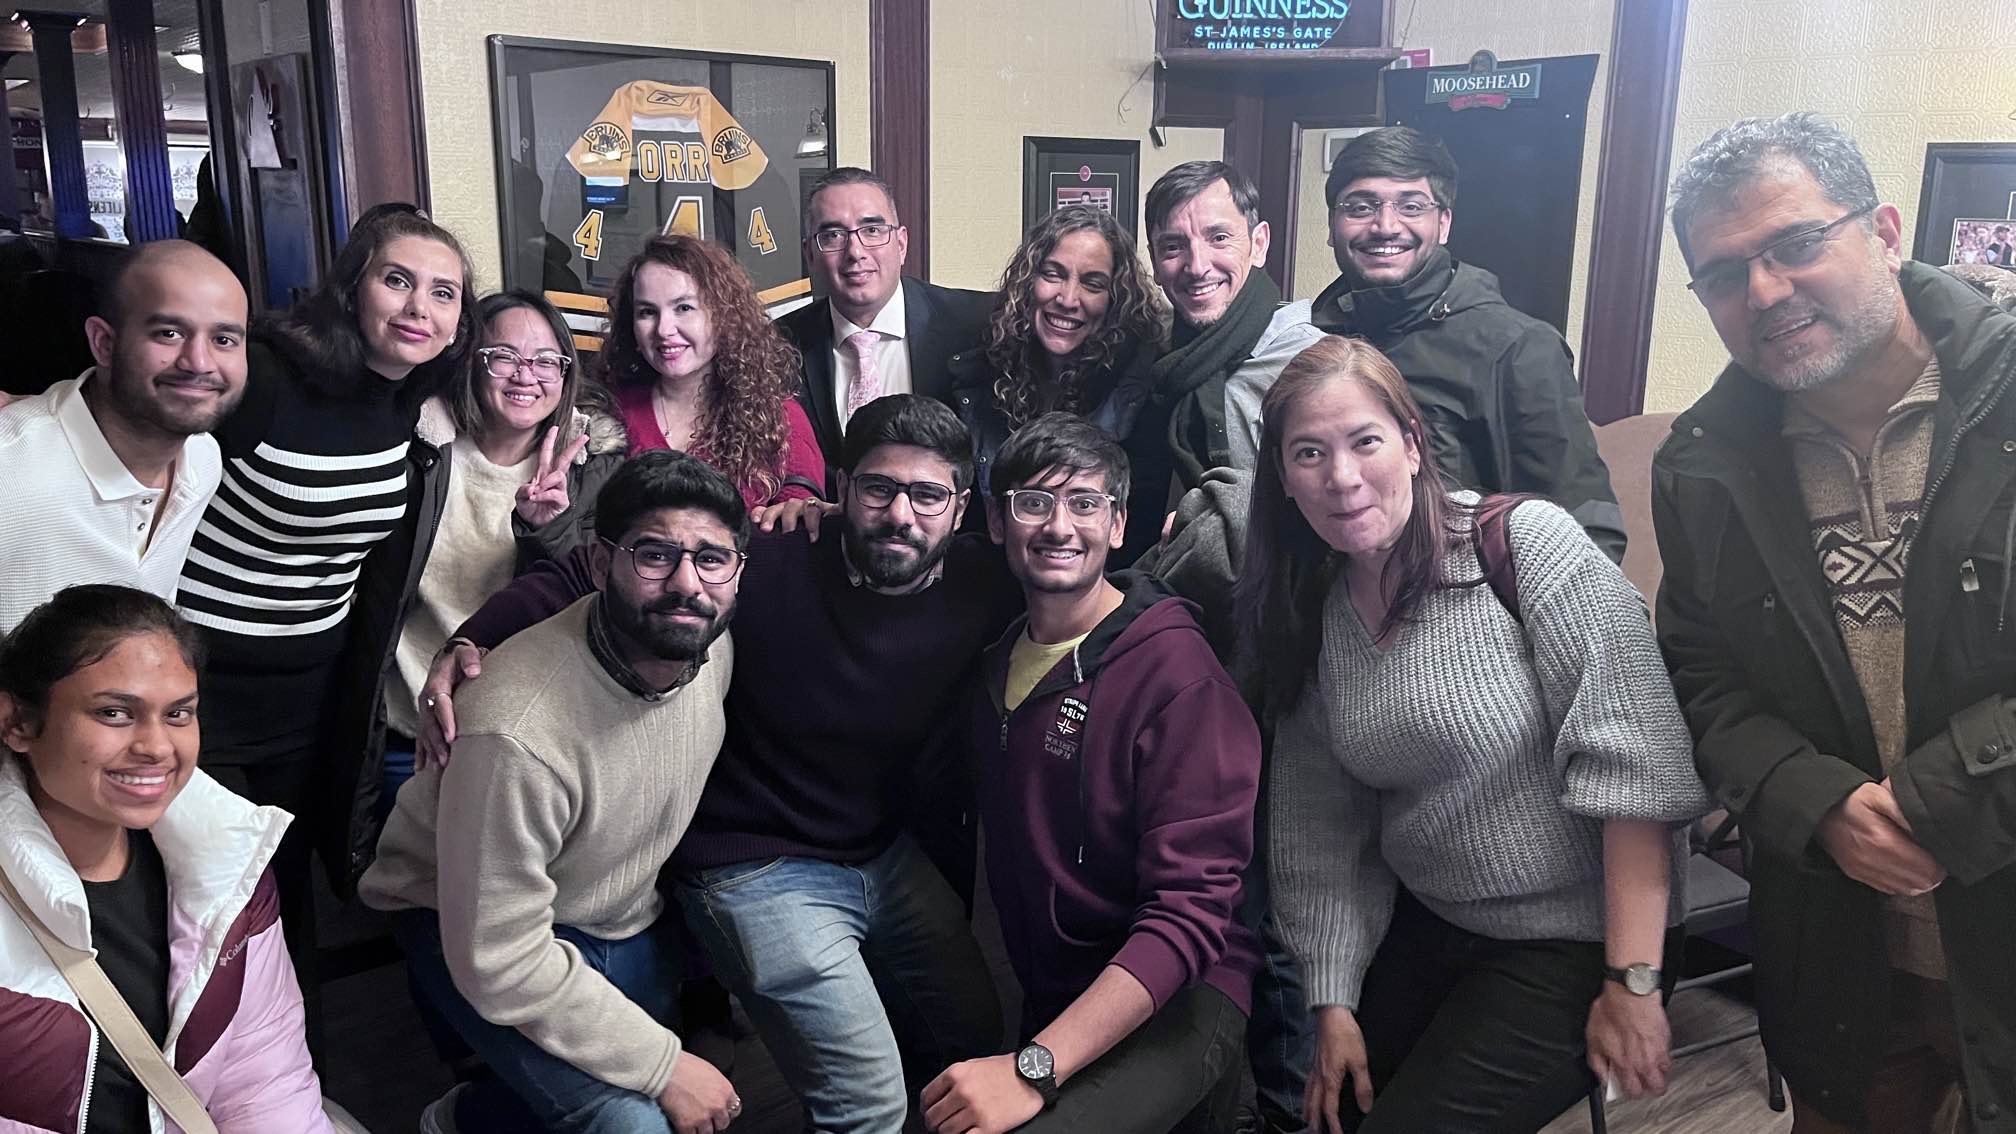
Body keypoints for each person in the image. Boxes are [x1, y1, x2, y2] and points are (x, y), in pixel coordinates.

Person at [422, 394, 1017, 1133]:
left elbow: (1090, 586)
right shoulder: (764, 559)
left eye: (928, 495)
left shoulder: (984, 581)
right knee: (868, 1107)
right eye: (878, 488)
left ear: (960, 508)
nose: (901, 514)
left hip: (880, 852)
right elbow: (587, 573)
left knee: (973, 1034)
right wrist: (468, 640)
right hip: (754, 861)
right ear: (841, 487)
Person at [1654, 111, 2016, 1134]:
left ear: (1888, 230)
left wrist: (1940, 801)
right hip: (1844, 962)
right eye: (1725, 274)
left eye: (1796, 244)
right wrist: (1812, 801)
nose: (1764, 291)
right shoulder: (1705, 463)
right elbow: (1699, 672)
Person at [1246, 336, 1709, 1132]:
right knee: (1331, 1115)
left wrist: (1632, 982)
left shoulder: (1525, 546)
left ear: (1415, 444)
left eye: (1365, 441)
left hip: (1575, 939)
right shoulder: (1314, 613)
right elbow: (1320, 830)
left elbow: (1639, 768)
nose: (1343, 477)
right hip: (1434, 922)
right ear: (1284, 481)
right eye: (1309, 453)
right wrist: (1332, 1002)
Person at [361, 451, 744, 1134]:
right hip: (468, 920)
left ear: (737, 573)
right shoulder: (516, 731)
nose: (687, 583)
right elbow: (499, 957)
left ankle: (474, 1117)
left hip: (610, 909)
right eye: (654, 555)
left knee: (635, 1082)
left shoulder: (709, 650)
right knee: (635, 1120)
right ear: (599, 566)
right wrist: (663, 1065)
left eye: (711, 559)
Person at [177, 207, 479, 1039]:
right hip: (204, 686)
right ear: (353, 289)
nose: (419, 306)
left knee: (284, 893)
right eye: (398, 280)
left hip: (317, 691)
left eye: (443, 293)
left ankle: (286, 1071)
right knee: (208, 896)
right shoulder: (268, 376)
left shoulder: (415, 406)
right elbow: (129, 432)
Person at [924, 414, 1260, 1134]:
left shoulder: (1178, 677)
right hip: (1063, 989)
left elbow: (1189, 914)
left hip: (1183, 991)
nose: (1058, 525)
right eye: (1033, 502)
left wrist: (1034, 1067)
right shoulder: (996, 662)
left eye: (1084, 503)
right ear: (995, 520)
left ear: (1117, 526)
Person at [0, 585, 333, 1132]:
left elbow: (265, 1078)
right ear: (17, 722)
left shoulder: (229, 869)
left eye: (179, 713)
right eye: (114, 712)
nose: (157, 746)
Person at [331, 288, 627, 892]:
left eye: (547, 361)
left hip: (525, 735)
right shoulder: (418, 451)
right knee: (422, 900)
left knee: (507, 909)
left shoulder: (594, 468)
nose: (527, 376)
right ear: (472, 361)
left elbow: (593, 601)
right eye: (505, 357)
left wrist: (552, 526)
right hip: (408, 725)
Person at [1296, 127, 1625, 562]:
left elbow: (1587, 533)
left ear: (1444, 223)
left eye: (1411, 206)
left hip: (1466, 613)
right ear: (1332, 227)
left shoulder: (1519, 349)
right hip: (1336, 615)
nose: (1385, 226)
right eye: (1360, 207)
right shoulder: (1314, 343)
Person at [1, 240, 247, 630]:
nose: (199, 363)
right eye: (168, 333)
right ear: (104, 343)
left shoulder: (201, 460)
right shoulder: (11, 473)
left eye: (224, 340)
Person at [945, 205, 1170, 563]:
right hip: (992, 593)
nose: (1067, 299)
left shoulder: (1146, 392)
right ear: (1027, 282)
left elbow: (1138, 533)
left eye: (1092, 283)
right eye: (1053, 274)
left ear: (1116, 299)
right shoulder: (977, 378)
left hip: (1102, 594)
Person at [777, 167, 993, 474]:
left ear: (901, 244)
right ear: (810, 254)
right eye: (833, 235)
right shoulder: (777, 345)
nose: (855, 252)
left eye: (873, 230)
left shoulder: (976, 323)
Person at [601, 234, 827, 509]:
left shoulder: (777, 419)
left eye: (683, 308)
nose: (663, 330)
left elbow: (800, 522)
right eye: (647, 312)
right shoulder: (610, 412)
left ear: (723, 315)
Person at [1142, 160, 1322, 493]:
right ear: (1154, 262)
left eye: (1219, 238)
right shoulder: (1157, 358)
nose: (1196, 267)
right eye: (1173, 247)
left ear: (1259, 244)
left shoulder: (1315, 365)